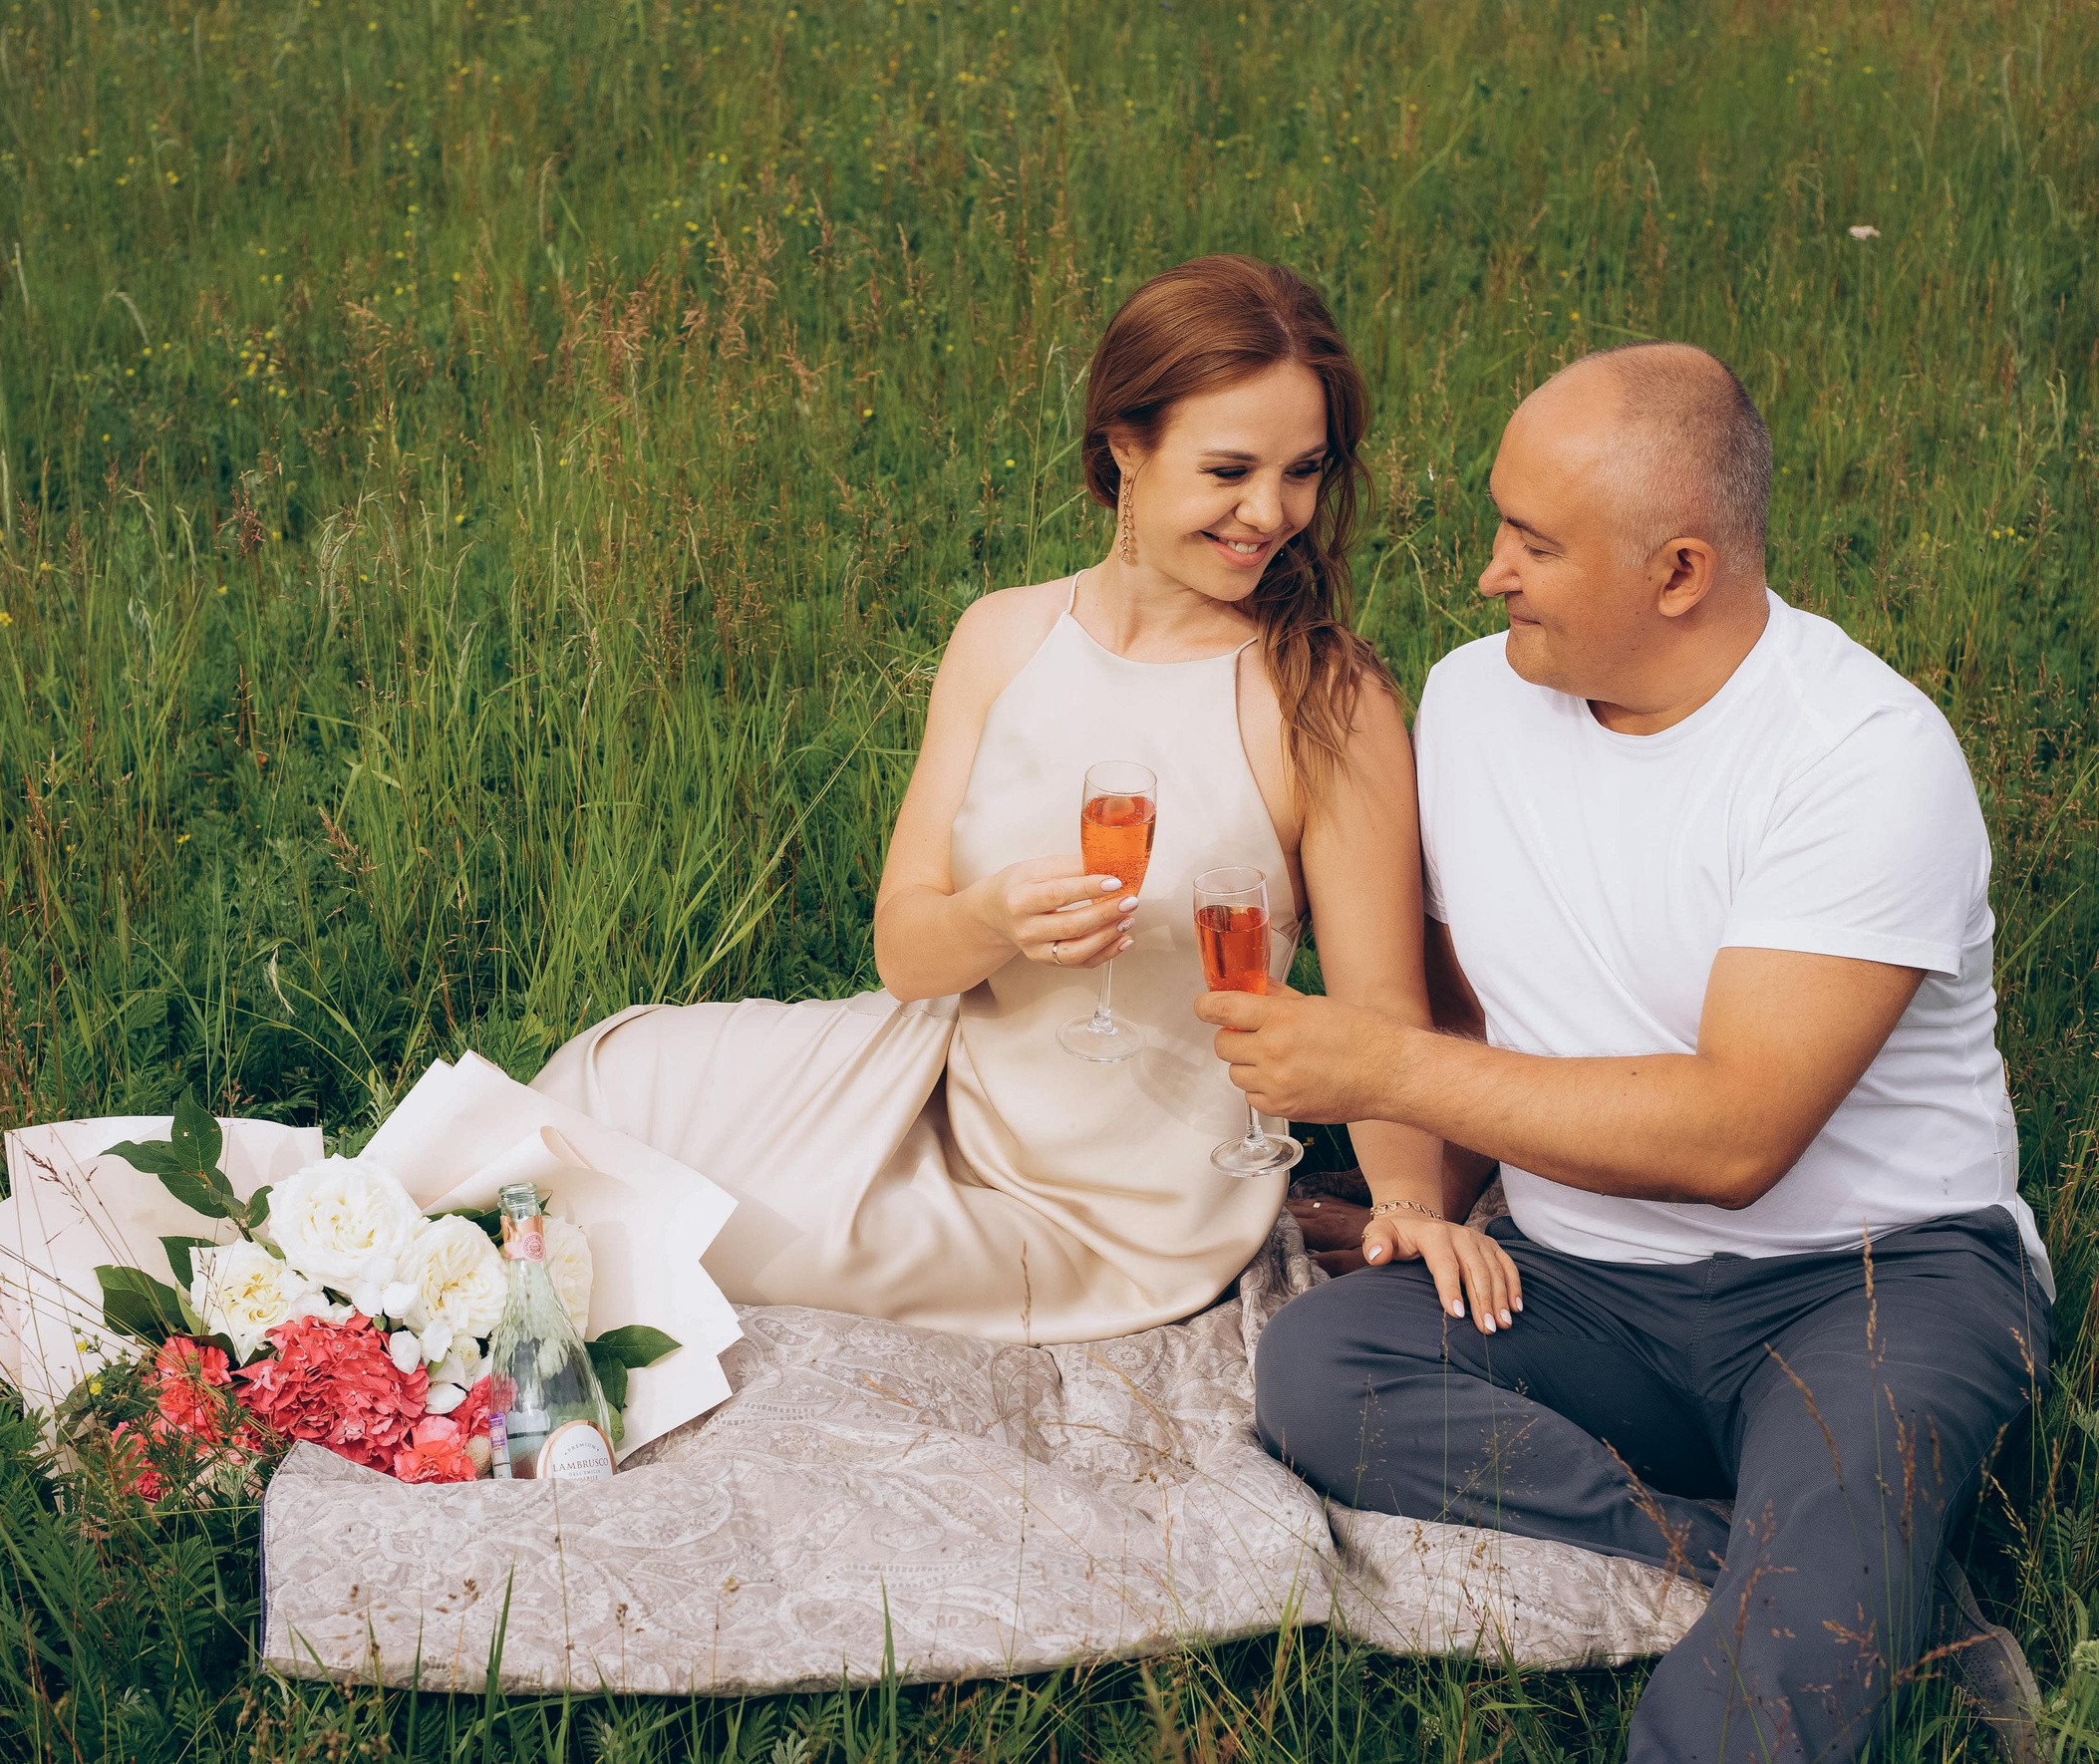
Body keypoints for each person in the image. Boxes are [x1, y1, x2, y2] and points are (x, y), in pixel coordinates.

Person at [1212, 343, 2052, 1762]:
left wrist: (1375, 1070)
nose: (1490, 573)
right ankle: (1776, 1552)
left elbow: (1734, 1137)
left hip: (1867, 1277)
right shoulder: (1480, 704)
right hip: (1586, 1283)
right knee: (1320, 1372)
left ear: (1678, 570)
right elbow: (1484, 1012)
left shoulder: (1860, 756)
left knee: (1792, 1659)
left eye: (1534, 544)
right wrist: (1421, 1202)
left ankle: (1827, 1572)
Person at [532, 254, 1514, 1344]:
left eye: (1304, 471)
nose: (1270, 513)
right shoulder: (1002, 634)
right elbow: (906, 958)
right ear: (1122, 448)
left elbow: (1381, 1017)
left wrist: (1409, 1209)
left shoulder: (1325, 696)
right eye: (1230, 469)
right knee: (589, 1091)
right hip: (928, 1077)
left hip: (1117, 1204)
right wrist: (991, 919)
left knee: (679, 1225)